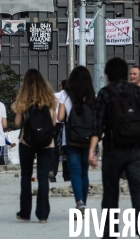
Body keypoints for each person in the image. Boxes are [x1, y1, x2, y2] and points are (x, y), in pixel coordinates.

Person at [89, 57, 140, 238]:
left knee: (110, 192)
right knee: (138, 187)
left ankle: (110, 233)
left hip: (114, 149)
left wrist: (92, 151)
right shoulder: (138, 92)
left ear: (107, 76)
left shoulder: (105, 93)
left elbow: (97, 125)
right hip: (138, 148)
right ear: (126, 75)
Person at [13, 69, 58, 223]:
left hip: (27, 142)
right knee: (43, 176)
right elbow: (53, 123)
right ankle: (43, 215)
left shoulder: (23, 98)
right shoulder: (49, 98)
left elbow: (18, 122)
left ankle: (25, 212)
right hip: (47, 143)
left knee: (26, 175)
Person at [57, 66, 96, 215]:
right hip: (88, 139)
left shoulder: (64, 95)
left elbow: (60, 118)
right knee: (84, 173)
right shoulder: (93, 95)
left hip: (71, 139)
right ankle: (84, 202)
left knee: (74, 171)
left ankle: (79, 202)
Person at [50, 80, 70, 183]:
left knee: (55, 149)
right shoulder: (70, 96)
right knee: (66, 150)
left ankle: (52, 170)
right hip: (66, 125)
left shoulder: (54, 95)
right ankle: (67, 175)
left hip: (55, 124)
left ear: (61, 86)